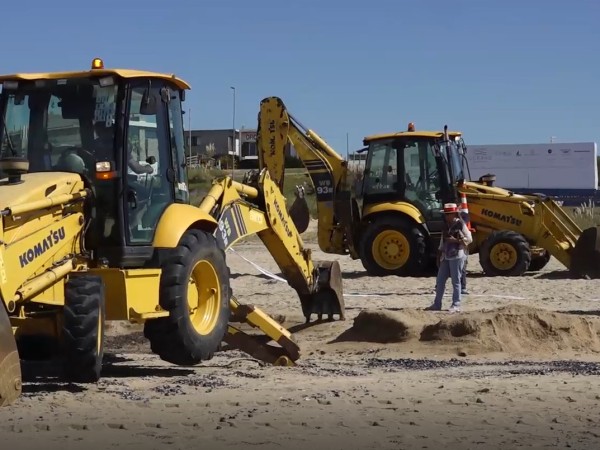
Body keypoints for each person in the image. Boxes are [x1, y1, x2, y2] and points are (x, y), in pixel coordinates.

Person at [425, 203, 473, 312]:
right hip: (446, 255)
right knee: (440, 280)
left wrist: (456, 241)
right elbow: (443, 240)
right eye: (446, 214)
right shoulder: (446, 225)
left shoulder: (460, 224)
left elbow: (469, 238)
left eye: (448, 214)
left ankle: (456, 304)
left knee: (456, 281)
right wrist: (439, 252)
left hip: (457, 254)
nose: (446, 216)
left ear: (454, 214)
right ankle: (437, 304)